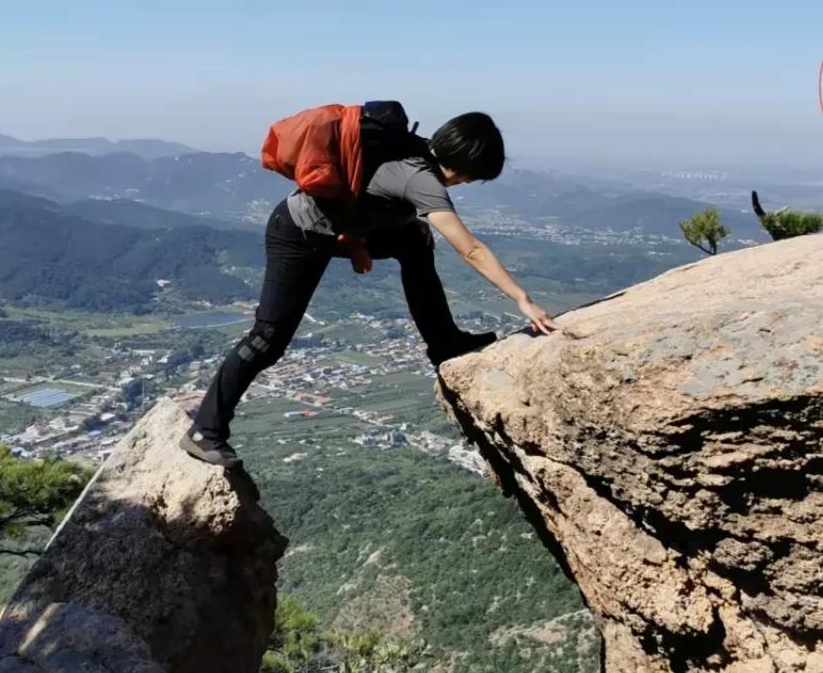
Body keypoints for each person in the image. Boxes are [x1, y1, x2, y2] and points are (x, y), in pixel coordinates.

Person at [181, 111, 557, 467]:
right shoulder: (420, 177)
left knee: (415, 241)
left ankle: (445, 343)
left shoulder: (412, 148)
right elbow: (471, 249)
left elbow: (366, 198)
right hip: (298, 235)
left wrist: (373, 236)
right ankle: (205, 430)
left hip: (336, 234)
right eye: (474, 175)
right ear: (466, 162)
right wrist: (522, 298)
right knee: (268, 339)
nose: (469, 184)